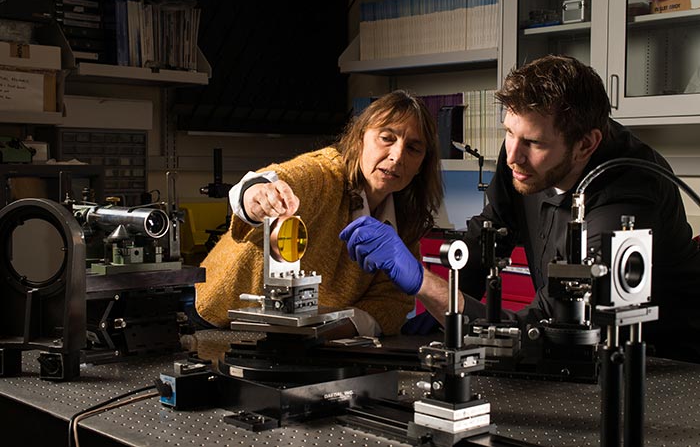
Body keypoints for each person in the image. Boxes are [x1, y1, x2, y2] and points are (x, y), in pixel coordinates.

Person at [341, 55, 700, 363]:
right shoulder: (522, 154)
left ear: (586, 144)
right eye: (509, 133)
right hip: (579, 362)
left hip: (661, 366)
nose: (513, 156)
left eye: (532, 142)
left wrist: (426, 284)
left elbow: (549, 328)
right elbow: (488, 236)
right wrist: (443, 310)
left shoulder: (626, 195)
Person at [194, 89, 443, 337]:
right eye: (387, 138)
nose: (397, 156)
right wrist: (257, 194)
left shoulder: (405, 220)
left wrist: (322, 330)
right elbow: (285, 177)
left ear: (422, 164)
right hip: (215, 319)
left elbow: (390, 304)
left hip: (300, 340)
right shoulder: (325, 174)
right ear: (359, 140)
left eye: (413, 148)